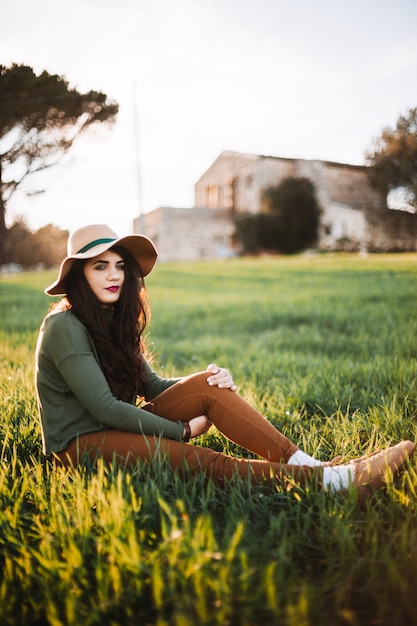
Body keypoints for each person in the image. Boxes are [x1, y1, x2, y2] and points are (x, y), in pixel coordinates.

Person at [35, 224, 415, 507]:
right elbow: (104, 407)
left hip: (112, 426)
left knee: (207, 385)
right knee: (202, 460)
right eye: (100, 266)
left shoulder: (112, 318)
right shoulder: (63, 325)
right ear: (79, 275)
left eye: (119, 265)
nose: (114, 274)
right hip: (79, 446)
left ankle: (317, 468)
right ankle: (336, 482)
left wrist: (205, 382)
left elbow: (150, 385)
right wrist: (181, 430)